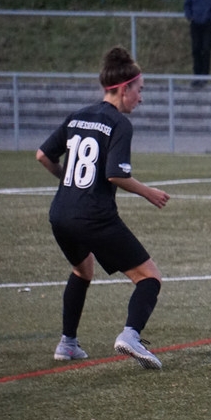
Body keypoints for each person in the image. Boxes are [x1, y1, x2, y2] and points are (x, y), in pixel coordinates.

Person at [36, 47, 170, 370]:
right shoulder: (119, 124)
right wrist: (148, 192)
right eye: (139, 91)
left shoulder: (77, 115)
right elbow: (115, 174)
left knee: (83, 270)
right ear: (124, 89)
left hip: (60, 213)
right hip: (93, 216)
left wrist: (68, 182)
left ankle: (67, 344)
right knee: (150, 277)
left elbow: (42, 155)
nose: (141, 98)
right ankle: (131, 335)